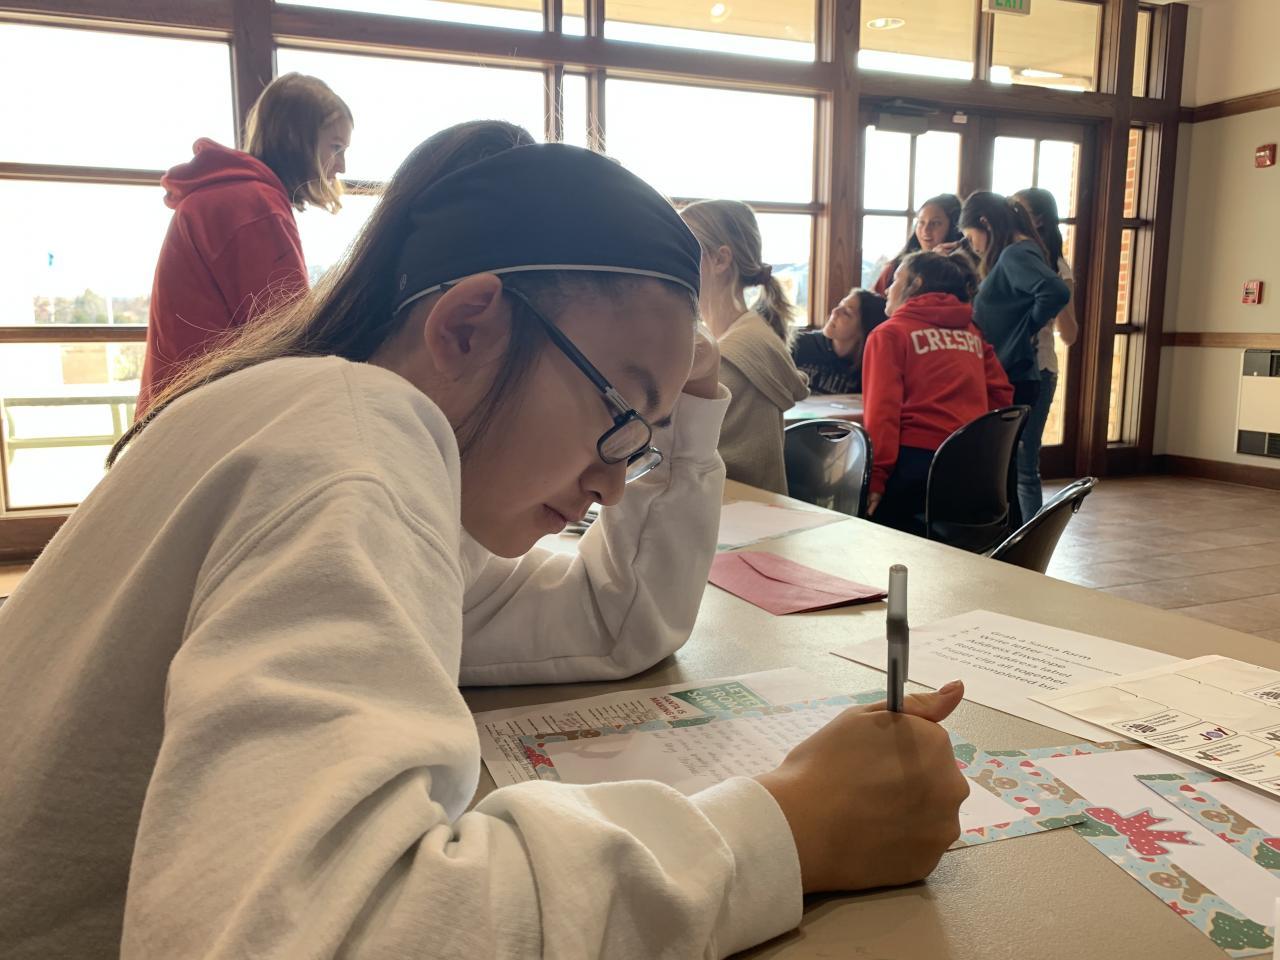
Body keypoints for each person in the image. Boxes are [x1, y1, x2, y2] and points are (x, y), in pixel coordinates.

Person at [0, 122, 969, 960]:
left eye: (642, 436)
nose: (613, 482)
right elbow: (317, 935)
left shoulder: (331, 434)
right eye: (619, 410)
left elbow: (613, 625)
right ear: (468, 326)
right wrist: (782, 831)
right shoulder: (350, 445)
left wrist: (685, 416)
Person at [137, 72, 353, 413]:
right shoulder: (254, 206)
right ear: (297, 139)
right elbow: (290, 341)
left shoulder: (226, 195)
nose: (341, 165)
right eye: (335, 147)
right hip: (207, 416)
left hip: (179, 411)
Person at [863, 252, 1013, 534]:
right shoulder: (971, 332)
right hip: (971, 465)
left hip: (915, 465)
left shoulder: (889, 334)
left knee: (871, 528)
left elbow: (883, 413)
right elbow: (1001, 394)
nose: (887, 289)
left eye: (895, 280)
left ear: (916, 283)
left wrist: (876, 477)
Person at [681, 199, 809, 494]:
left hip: (733, 514)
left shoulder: (730, 355)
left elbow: (679, 456)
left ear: (720, 260)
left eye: (683, 248)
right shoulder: (740, 335)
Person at [959, 191, 1071, 523]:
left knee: (1008, 472)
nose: (974, 247)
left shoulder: (1014, 254)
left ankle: (1018, 541)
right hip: (1013, 371)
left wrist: (1027, 326)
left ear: (985, 223)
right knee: (1006, 471)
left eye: (971, 237)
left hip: (1014, 373)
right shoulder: (1020, 251)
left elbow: (1056, 291)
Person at [1013, 187, 1079, 517]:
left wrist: (1055, 298)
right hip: (1006, 368)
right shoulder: (1009, 258)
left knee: (1025, 460)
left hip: (1039, 370)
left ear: (1038, 220)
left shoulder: (1056, 268)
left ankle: (1031, 540)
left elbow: (1070, 334)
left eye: (1018, 210)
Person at [790, 288, 887, 395]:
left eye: (846, 312)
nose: (835, 311)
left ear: (864, 330)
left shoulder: (869, 368)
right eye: (840, 305)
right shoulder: (798, 344)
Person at [872, 193, 964, 297]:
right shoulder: (894, 268)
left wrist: (934, 264)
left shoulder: (963, 271)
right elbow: (872, 302)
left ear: (954, 228)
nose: (926, 230)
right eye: (921, 222)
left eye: (935, 223)